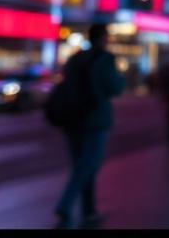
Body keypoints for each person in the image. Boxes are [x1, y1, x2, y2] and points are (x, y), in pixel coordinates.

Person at [54, 23, 125, 230]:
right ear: (103, 37)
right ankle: (66, 204)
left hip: (72, 117)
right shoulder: (105, 59)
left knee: (81, 165)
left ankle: (89, 210)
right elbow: (115, 87)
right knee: (88, 166)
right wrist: (120, 78)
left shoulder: (75, 58)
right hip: (95, 118)